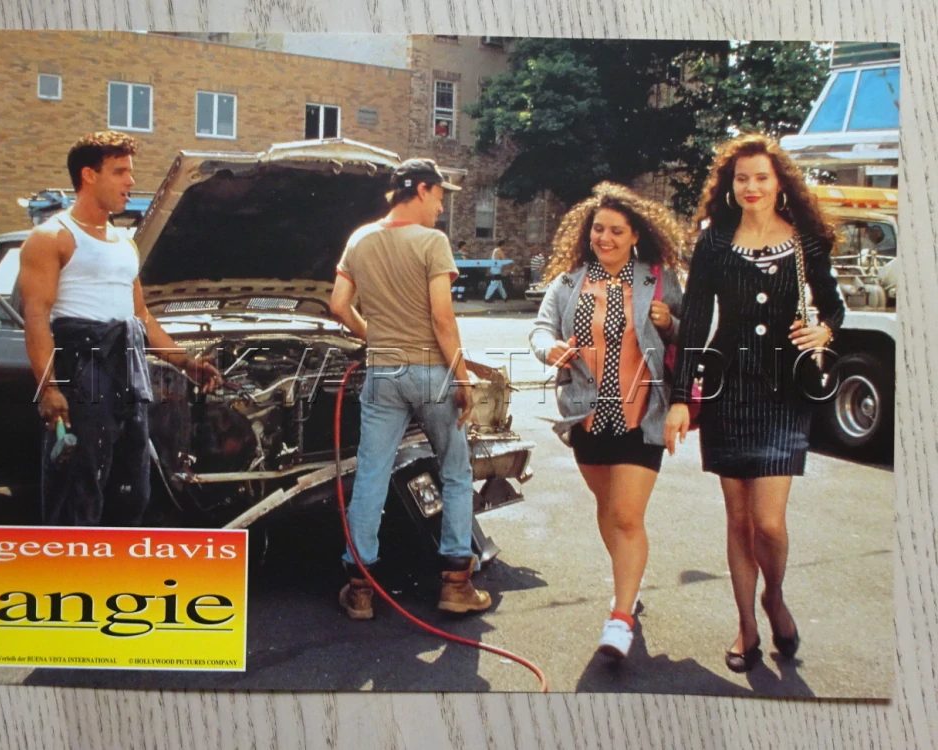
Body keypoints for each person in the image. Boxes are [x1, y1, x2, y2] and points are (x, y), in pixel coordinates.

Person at [664, 133, 845, 673]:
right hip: (729, 389)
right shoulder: (715, 243)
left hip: (784, 391)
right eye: (742, 178)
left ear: (779, 182)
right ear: (730, 184)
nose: (752, 187)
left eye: (761, 177)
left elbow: (833, 307)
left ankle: (775, 597)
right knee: (739, 520)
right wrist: (682, 398)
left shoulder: (806, 241)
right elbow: (696, 321)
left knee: (768, 522)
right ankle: (746, 626)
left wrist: (824, 332)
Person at [17, 131, 222, 526]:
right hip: (81, 370)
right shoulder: (52, 237)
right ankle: (70, 565)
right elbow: (37, 316)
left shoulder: (125, 244)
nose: (131, 181)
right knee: (79, 488)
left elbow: (140, 316)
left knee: (133, 491)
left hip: (126, 373)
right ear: (88, 175)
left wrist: (186, 362)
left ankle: (115, 562)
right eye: (119, 171)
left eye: (130, 171)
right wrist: (49, 389)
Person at [329, 158, 492, 620]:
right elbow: (443, 318)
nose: (441, 207)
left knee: (372, 475)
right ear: (421, 189)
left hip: (383, 374)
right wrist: (462, 377)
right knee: (455, 472)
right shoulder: (432, 242)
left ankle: (360, 590)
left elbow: (338, 304)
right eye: (439, 196)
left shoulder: (360, 239)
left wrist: (375, 338)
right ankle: (456, 585)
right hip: (431, 372)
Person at [530, 182, 685, 661]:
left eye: (617, 230)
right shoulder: (569, 282)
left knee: (626, 515)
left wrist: (668, 324)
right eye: (598, 229)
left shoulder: (658, 280)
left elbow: (691, 335)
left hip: (644, 415)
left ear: (635, 235)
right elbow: (540, 329)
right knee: (607, 506)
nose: (605, 238)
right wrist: (549, 349)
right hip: (587, 416)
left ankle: (620, 619)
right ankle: (627, 585)